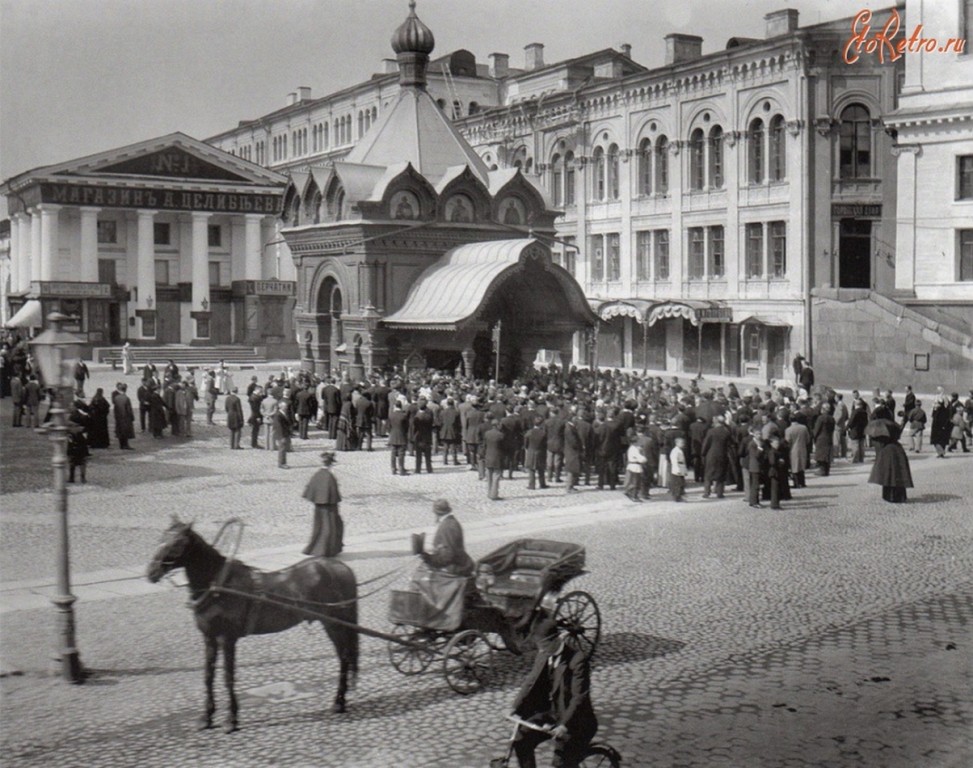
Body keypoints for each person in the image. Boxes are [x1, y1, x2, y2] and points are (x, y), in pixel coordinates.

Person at [510, 613, 598, 768]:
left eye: (544, 645)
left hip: (576, 722)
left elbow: (579, 697)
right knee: (521, 740)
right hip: (552, 713)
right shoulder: (544, 654)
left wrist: (563, 725)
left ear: (556, 640)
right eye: (539, 646)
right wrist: (514, 707)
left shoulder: (577, 660)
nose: (541, 650)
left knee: (560, 763)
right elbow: (530, 682)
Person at [417, 499, 474, 576]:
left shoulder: (447, 527)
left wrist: (429, 559)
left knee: (421, 576)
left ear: (436, 513)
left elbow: (448, 555)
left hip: (455, 566)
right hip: (455, 562)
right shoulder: (450, 522)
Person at [303, 452, 344, 557]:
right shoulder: (330, 477)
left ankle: (315, 548)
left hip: (318, 506)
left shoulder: (317, 475)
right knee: (330, 527)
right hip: (330, 507)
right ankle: (326, 550)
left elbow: (310, 489)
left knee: (319, 526)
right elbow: (334, 493)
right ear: (330, 464)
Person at [867, 417, 914, 503]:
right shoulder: (894, 437)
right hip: (896, 451)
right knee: (897, 474)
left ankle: (890, 496)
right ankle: (899, 496)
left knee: (889, 475)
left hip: (888, 452)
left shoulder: (884, 441)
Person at [524, 415, 548, 491]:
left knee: (531, 469)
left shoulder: (529, 432)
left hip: (531, 450)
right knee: (541, 469)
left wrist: (527, 448)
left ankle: (532, 485)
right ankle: (542, 483)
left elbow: (526, 443)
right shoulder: (543, 433)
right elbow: (545, 444)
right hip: (540, 451)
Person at [388, 399, 410, 475]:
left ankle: (393, 468)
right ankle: (401, 468)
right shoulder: (404, 416)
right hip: (402, 435)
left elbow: (389, 426)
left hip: (393, 435)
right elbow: (407, 427)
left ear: (395, 406)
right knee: (401, 454)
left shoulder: (391, 415)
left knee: (393, 453)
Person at [113, 382, 136, 449]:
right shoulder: (126, 398)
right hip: (126, 418)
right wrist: (132, 417)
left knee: (120, 431)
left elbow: (115, 409)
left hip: (119, 417)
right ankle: (125, 444)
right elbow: (129, 409)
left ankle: (121, 445)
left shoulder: (116, 398)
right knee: (125, 431)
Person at [669, 436, 687, 502]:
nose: (683, 444)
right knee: (677, 483)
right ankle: (677, 496)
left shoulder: (680, 450)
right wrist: (677, 470)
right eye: (681, 443)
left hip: (681, 467)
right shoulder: (675, 451)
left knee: (681, 483)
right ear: (677, 443)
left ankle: (679, 495)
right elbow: (674, 461)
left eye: (683, 443)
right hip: (677, 469)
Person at [275, 398, 293, 468]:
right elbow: (278, 426)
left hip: (285, 433)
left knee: (284, 449)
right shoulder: (278, 415)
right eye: (285, 406)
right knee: (282, 449)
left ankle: (283, 462)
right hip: (282, 435)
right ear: (281, 407)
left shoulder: (284, 413)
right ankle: (281, 463)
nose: (286, 408)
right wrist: (282, 436)